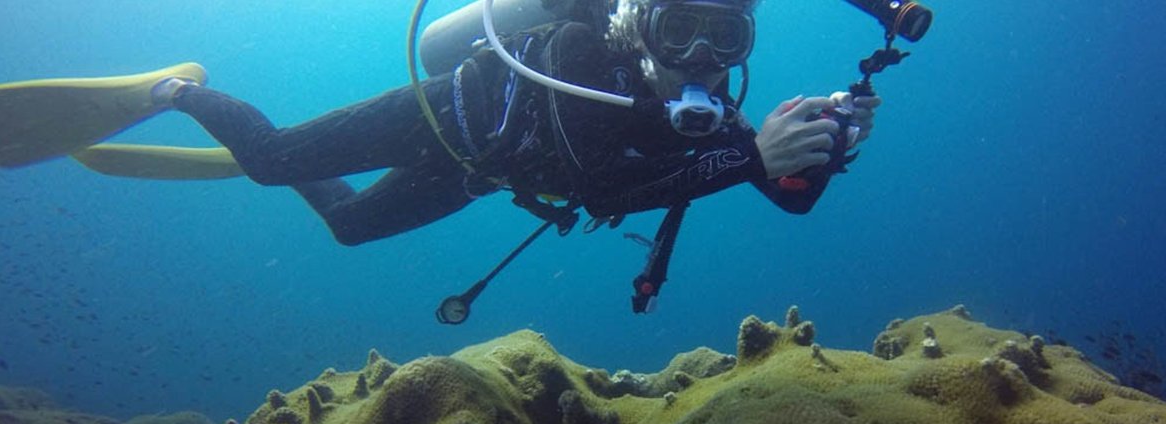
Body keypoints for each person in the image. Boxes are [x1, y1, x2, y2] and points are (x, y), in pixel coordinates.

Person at [143, 0, 881, 247]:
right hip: (441, 119)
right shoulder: (578, 48)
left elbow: (790, 196)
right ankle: (178, 90)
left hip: (479, 174)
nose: (698, 56)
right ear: (641, 24)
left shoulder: (721, 119)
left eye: (725, 41)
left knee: (350, 228)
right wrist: (752, 158)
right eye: (678, 28)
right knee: (274, 159)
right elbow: (602, 189)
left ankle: (277, 161)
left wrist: (826, 147)